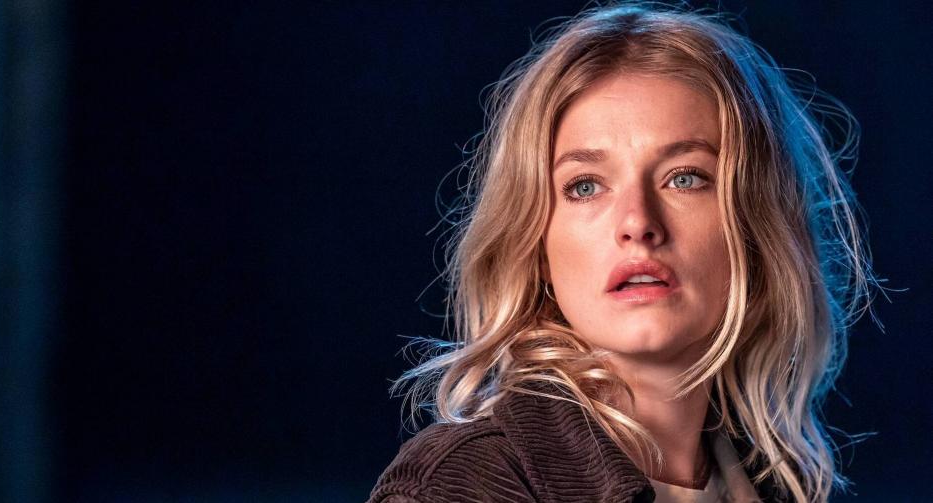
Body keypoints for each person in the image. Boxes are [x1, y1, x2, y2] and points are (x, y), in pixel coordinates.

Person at [367, 2, 882, 502]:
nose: (638, 223)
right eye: (585, 186)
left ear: (755, 228)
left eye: (685, 178)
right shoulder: (462, 481)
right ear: (537, 246)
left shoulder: (782, 485)